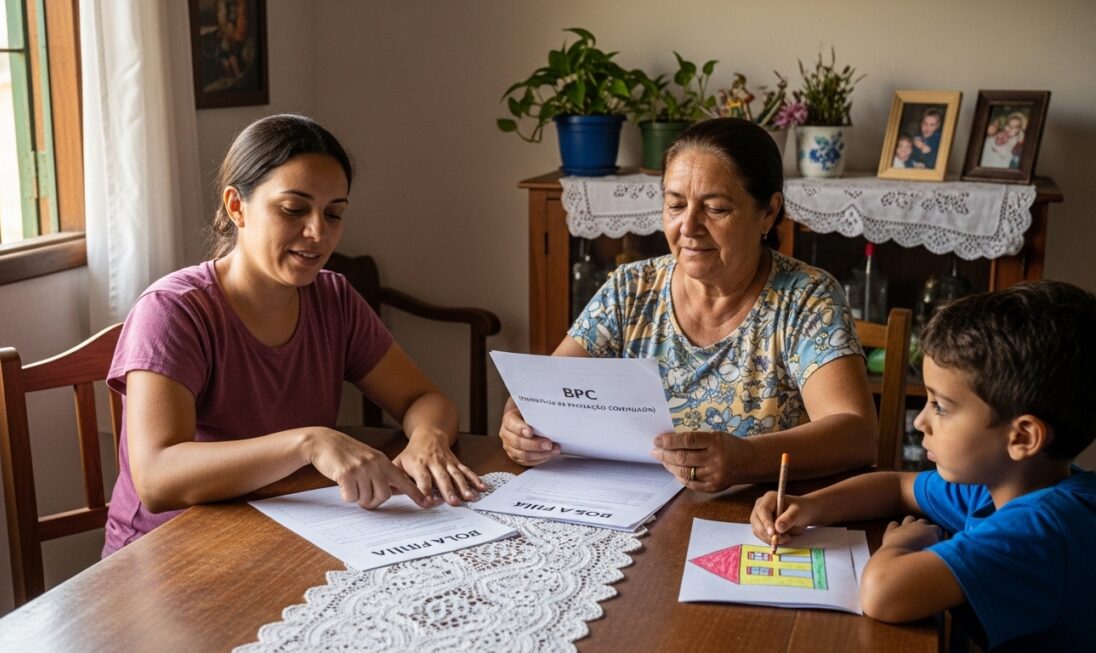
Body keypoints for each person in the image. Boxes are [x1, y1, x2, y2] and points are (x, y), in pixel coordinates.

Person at [103, 114, 485, 556]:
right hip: (168, 555)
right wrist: (310, 442)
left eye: (334, 213)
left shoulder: (334, 298)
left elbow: (425, 400)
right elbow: (157, 478)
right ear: (236, 206)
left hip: (283, 532)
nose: (318, 233)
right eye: (293, 209)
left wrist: (428, 442)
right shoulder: (173, 310)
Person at [499, 118, 878, 492]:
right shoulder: (631, 289)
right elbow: (546, 392)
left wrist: (746, 459)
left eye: (715, 208)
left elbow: (856, 432)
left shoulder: (805, 298)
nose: (688, 227)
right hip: (634, 508)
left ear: (768, 212)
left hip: (755, 518)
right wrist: (520, 423)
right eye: (676, 205)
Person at [750, 281, 1096, 651]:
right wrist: (810, 506)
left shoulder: (1041, 531)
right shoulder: (1000, 482)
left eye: (941, 407)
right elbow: (895, 486)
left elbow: (883, 593)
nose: (920, 422)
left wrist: (900, 544)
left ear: (1022, 437)